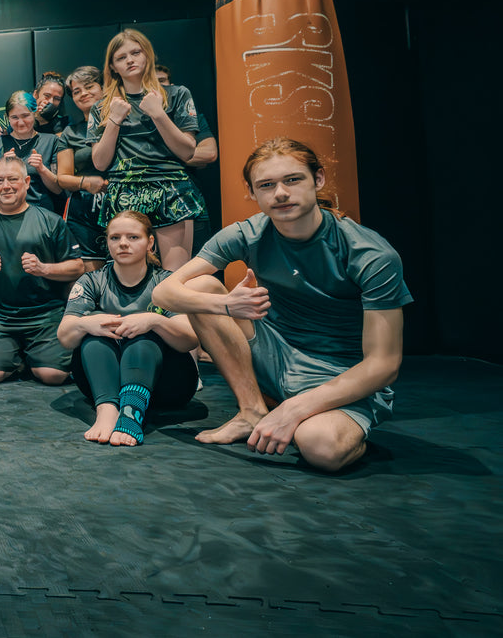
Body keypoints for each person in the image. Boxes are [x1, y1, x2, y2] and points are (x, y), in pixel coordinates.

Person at [153, 138, 411, 472]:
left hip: (337, 374)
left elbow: (384, 364)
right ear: (252, 192)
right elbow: (164, 293)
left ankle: (303, 413)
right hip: (272, 355)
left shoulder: (370, 254)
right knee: (201, 287)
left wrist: (295, 409)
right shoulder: (247, 234)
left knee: (322, 448)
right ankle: (251, 411)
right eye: (267, 185)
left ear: (318, 179)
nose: (281, 193)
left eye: (293, 179)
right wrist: (228, 304)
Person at [58, 210, 200, 446]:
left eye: (133, 237)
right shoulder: (92, 281)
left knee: (146, 333)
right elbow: (64, 337)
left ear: (150, 243)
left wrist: (154, 321)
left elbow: (190, 340)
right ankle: (107, 411)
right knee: (94, 324)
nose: (123, 243)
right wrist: (85, 323)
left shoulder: (167, 282)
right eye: (115, 238)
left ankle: (131, 412)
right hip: (104, 386)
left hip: (166, 385)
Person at [0, 155, 84, 385]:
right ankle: (18, 358)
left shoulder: (50, 221)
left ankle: (28, 358)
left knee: (53, 376)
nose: (5, 186)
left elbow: (77, 267)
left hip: (45, 317)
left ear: (26, 182)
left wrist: (44, 269)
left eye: (12, 179)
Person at [88, 29, 206, 270]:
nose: (130, 60)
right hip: (123, 190)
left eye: (135, 53)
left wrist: (158, 113)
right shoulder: (101, 107)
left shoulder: (177, 94)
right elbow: (99, 163)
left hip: (171, 188)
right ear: (112, 67)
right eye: (121, 57)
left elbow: (188, 151)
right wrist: (114, 119)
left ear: (147, 55)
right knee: (129, 275)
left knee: (174, 275)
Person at [55, 66, 110, 266]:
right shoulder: (70, 133)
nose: (83, 93)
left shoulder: (122, 122)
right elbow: (62, 178)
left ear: (103, 88)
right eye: (77, 91)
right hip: (84, 209)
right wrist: (86, 183)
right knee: (89, 272)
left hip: (122, 202)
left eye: (89, 86)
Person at [0, 89, 64, 209]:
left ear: (35, 113)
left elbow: (58, 189)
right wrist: (1, 166)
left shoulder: (51, 141)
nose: (20, 122)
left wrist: (41, 169)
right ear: (7, 117)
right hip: (7, 212)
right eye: (14, 117)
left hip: (41, 212)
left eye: (25, 116)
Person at [154, 64, 218, 169]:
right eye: (152, 82)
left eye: (162, 81)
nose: (158, 86)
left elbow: (210, 153)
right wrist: (186, 155)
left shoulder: (189, 116)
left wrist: (152, 157)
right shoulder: (137, 116)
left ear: (172, 86)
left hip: (183, 178)